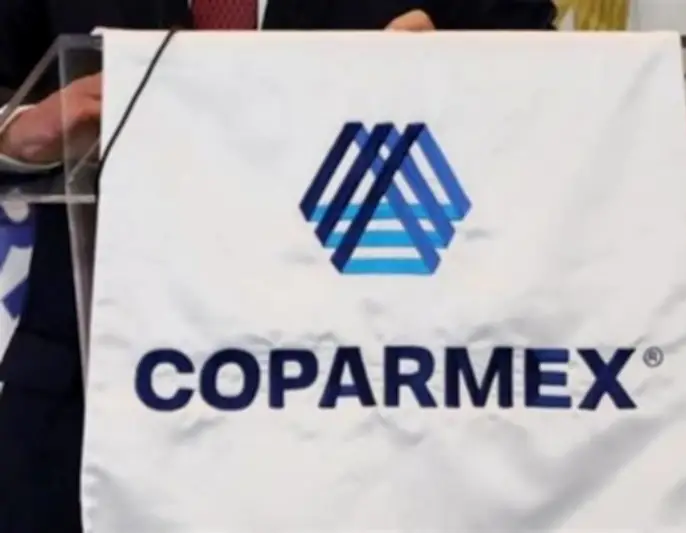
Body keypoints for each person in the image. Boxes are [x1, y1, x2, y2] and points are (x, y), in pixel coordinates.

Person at [0, 1, 556, 532]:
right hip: (91, 396)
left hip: (363, 394)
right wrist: (15, 133)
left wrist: (459, 79)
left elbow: (554, 98)